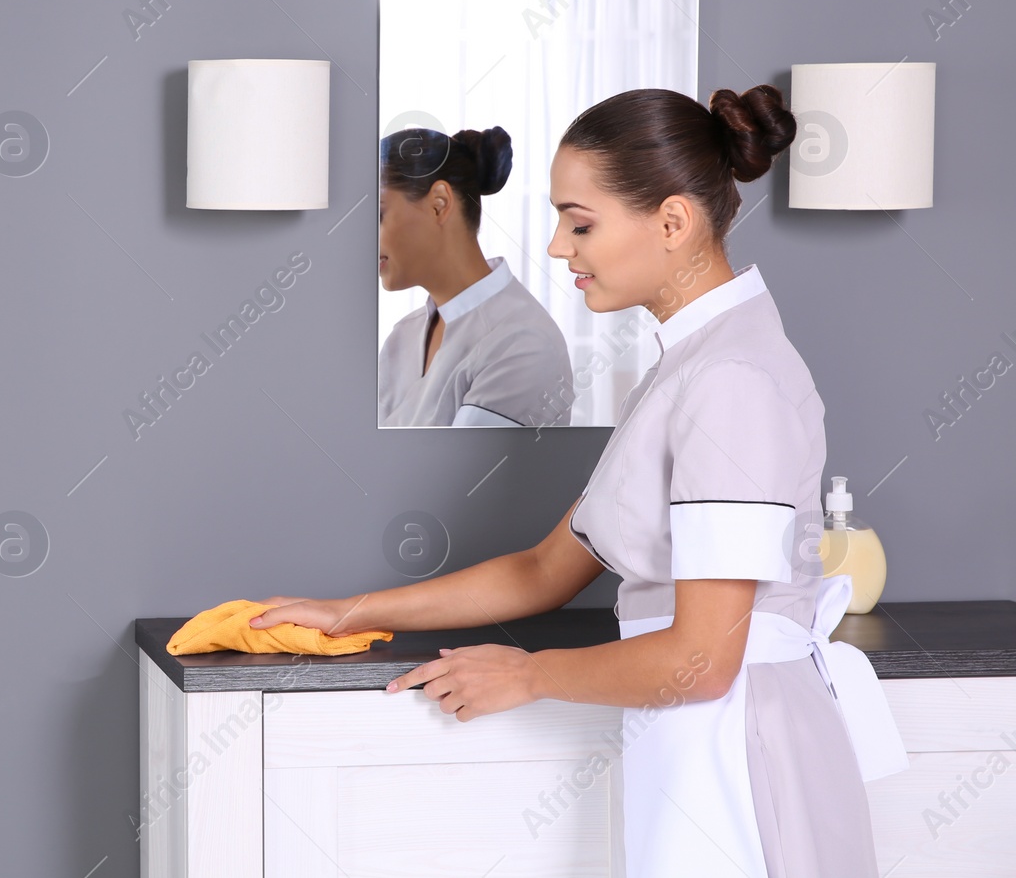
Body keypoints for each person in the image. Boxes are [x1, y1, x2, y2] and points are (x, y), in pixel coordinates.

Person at [255, 85, 907, 877]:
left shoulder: (732, 378)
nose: (560, 248)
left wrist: (528, 673)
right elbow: (545, 568)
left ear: (672, 223)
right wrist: (347, 611)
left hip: (741, 752)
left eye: (581, 221)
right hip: (700, 742)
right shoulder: (689, 368)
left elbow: (700, 657)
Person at [378, 125, 574, 427]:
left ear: (439, 204)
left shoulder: (523, 342)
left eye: (378, 215)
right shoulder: (401, 337)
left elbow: (466, 474)